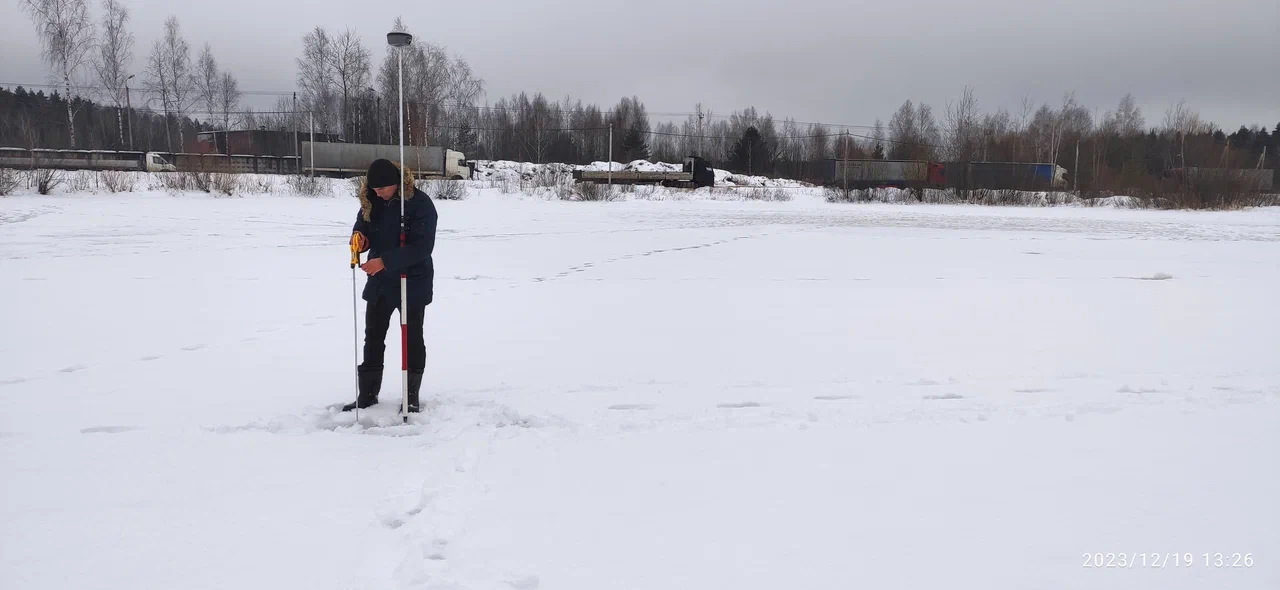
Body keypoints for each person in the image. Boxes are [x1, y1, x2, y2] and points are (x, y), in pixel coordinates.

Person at [342, 158, 437, 413]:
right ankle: (367, 394)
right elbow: (362, 226)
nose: (378, 192)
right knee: (373, 336)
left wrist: (385, 261)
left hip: (412, 281)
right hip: (380, 282)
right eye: (374, 188)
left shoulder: (419, 204)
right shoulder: (371, 201)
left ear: (396, 183)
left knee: (412, 337)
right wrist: (360, 239)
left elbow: (422, 247)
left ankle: (411, 395)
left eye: (383, 188)